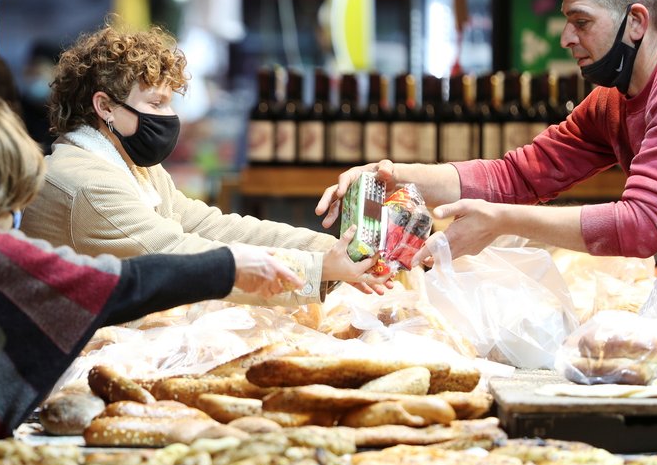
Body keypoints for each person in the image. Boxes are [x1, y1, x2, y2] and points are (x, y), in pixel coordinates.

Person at [0, 99, 305, 437]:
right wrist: (228, 267)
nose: (17, 219)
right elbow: (115, 282)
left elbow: (205, 225)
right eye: (155, 102)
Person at [316, 0, 657, 269]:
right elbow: (517, 177)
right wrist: (393, 176)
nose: (566, 37)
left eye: (581, 22)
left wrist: (501, 220)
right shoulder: (611, 102)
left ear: (636, 22)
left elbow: (642, 226)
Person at [20, 23, 387, 306]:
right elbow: (178, 255)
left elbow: (210, 227)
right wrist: (317, 270)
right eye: (155, 104)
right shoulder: (87, 184)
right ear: (105, 107)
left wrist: (329, 250)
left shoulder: (132, 166)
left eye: (169, 103)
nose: (169, 117)